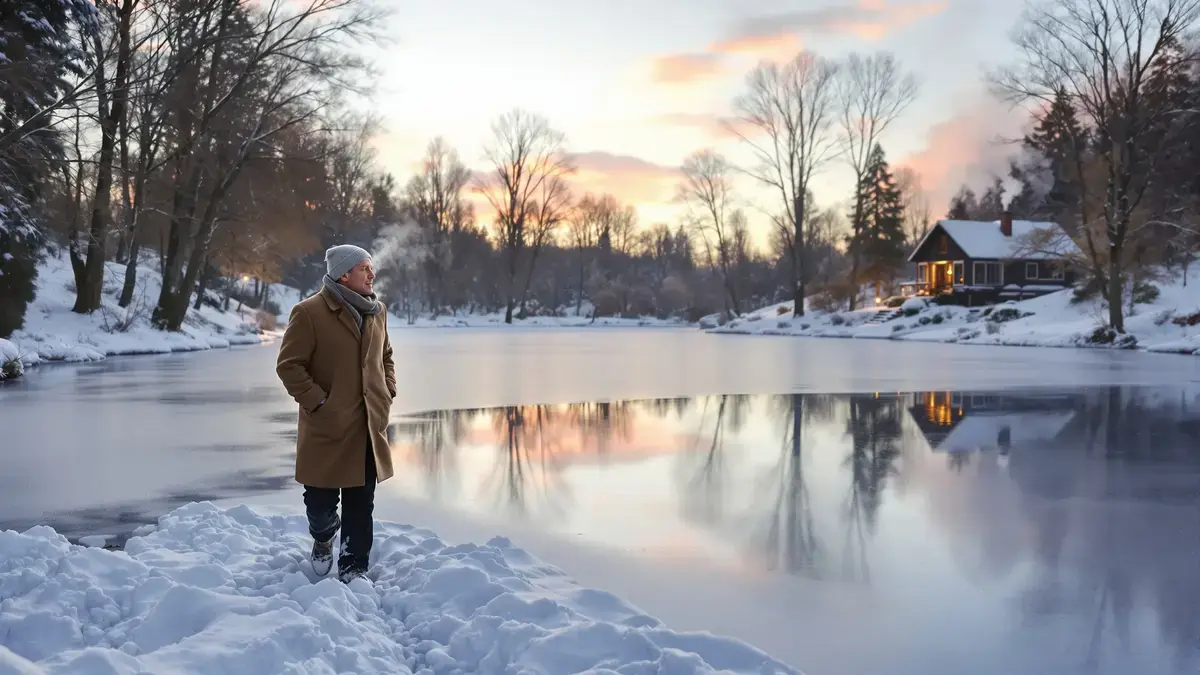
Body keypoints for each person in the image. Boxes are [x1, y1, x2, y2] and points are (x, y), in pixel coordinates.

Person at [275, 244, 396, 583]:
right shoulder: (309, 312)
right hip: (326, 429)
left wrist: (387, 391)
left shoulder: (378, 311)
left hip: (368, 426)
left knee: (361, 504)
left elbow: (386, 356)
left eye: (371, 268)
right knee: (320, 506)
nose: (372, 274)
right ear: (344, 273)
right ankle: (324, 535)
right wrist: (319, 404)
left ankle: (354, 566)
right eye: (365, 268)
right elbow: (289, 366)